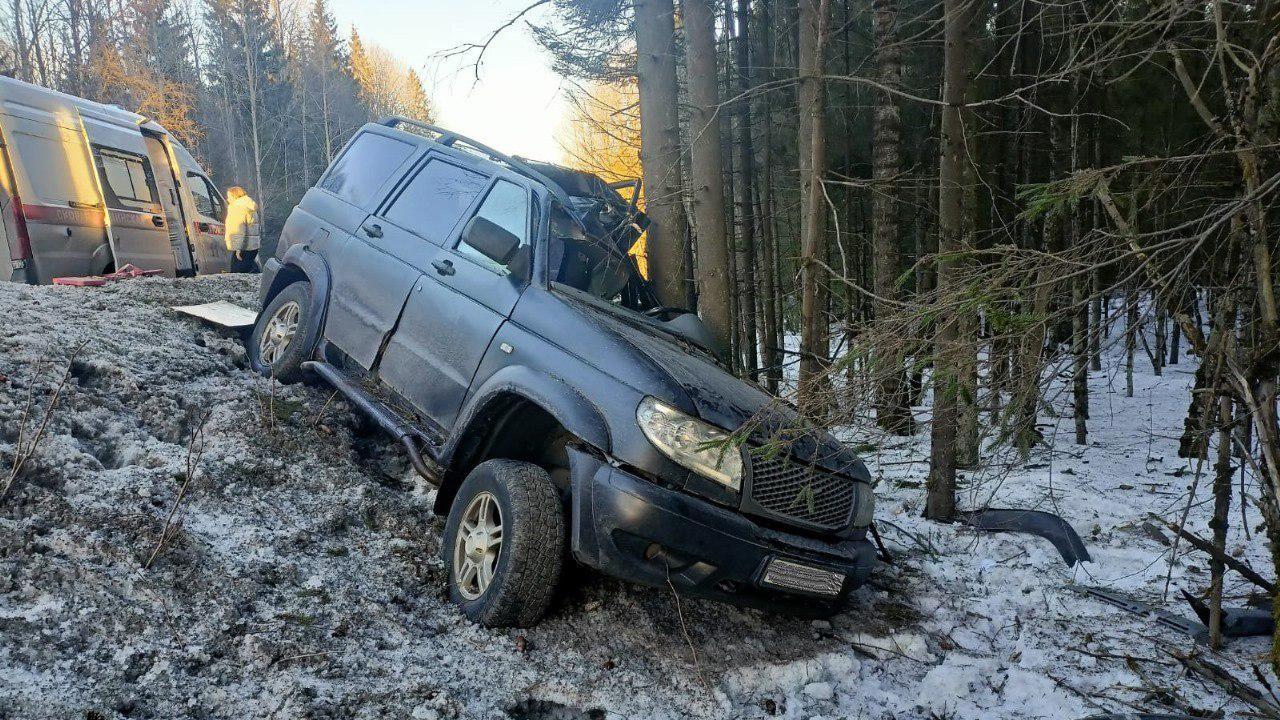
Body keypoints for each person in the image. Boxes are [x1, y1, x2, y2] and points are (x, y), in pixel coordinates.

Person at [224, 186, 262, 273]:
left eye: (229, 196)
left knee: (237, 274)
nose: (227, 199)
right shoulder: (248, 205)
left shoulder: (237, 207)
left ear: (235, 196)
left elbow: (239, 230)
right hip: (252, 246)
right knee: (248, 271)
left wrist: (238, 248)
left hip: (243, 247)